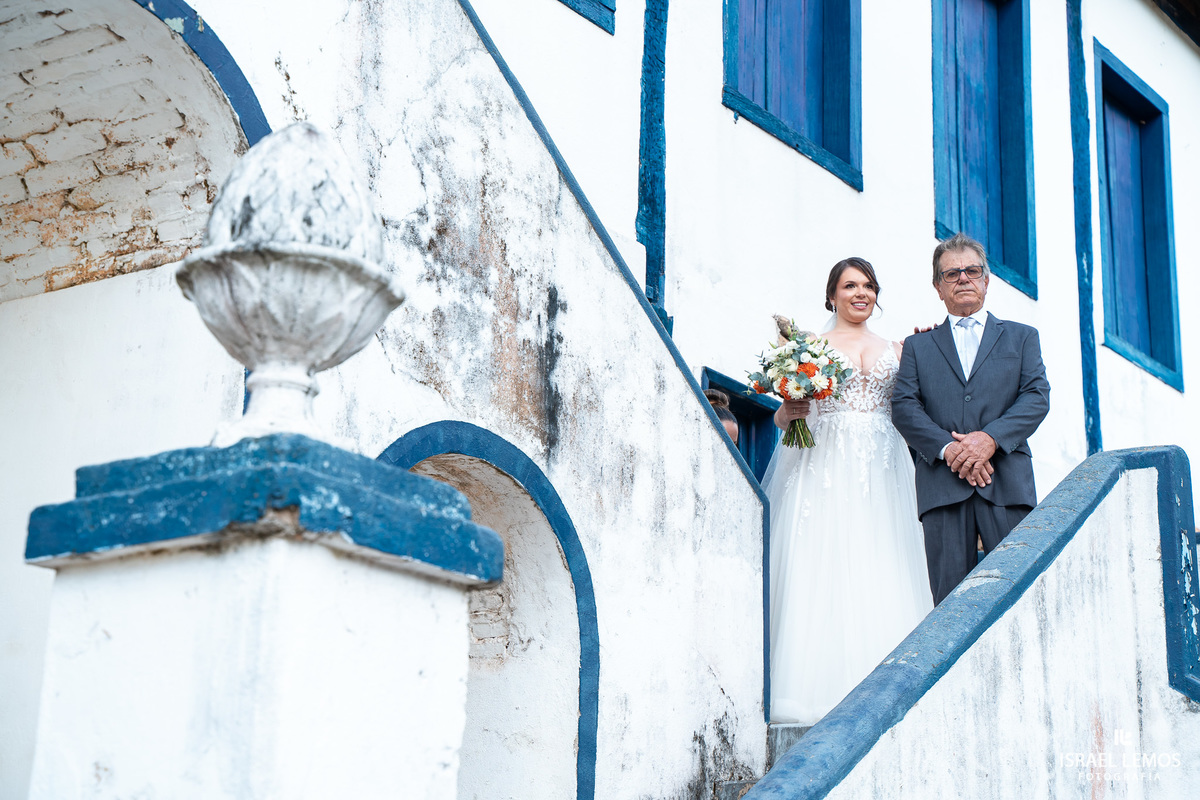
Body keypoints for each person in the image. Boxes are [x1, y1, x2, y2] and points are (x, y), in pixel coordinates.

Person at [765, 257, 933, 725]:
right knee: (825, 558)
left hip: (884, 467)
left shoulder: (900, 349)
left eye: (869, 286)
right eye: (850, 285)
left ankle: (891, 686)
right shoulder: (807, 349)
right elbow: (783, 419)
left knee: (885, 556)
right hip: (825, 463)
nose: (861, 293)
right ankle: (814, 690)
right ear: (832, 295)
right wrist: (791, 410)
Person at [891, 233, 1050, 605]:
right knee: (950, 605)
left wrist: (989, 440)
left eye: (972, 271)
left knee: (1020, 597)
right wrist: (950, 450)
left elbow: (1036, 397)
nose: (963, 278)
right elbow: (904, 408)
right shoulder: (917, 346)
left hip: (1007, 483)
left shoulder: (1022, 337)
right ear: (938, 287)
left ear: (986, 281)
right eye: (951, 274)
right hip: (942, 489)